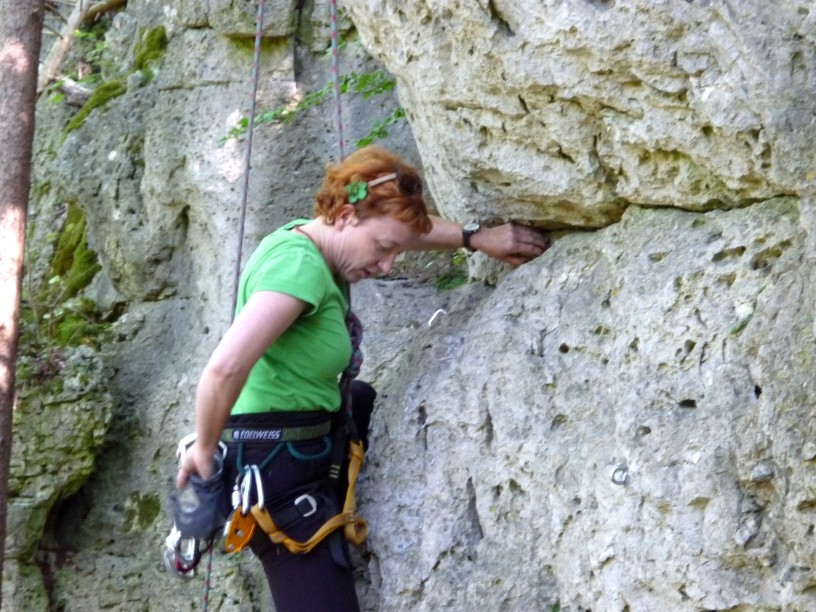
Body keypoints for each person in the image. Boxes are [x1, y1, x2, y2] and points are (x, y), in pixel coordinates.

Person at [175, 146, 550, 611]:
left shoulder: (318, 243)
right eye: (384, 249)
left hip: (307, 445)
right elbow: (225, 368)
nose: (388, 264)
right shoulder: (298, 267)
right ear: (348, 215)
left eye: (395, 249)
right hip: (278, 476)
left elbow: (408, 231)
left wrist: (476, 238)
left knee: (363, 395)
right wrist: (205, 452)